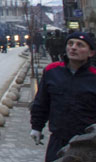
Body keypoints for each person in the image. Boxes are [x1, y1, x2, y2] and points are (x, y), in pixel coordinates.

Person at [30, 31, 96, 161]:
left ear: (91, 53)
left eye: (80, 45)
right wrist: (36, 127)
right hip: (58, 139)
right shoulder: (52, 71)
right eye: (70, 44)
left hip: (87, 143)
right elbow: (42, 102)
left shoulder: (94, 76)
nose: (73, 47)